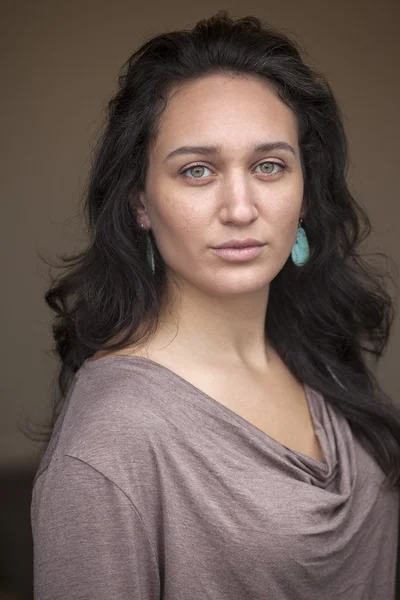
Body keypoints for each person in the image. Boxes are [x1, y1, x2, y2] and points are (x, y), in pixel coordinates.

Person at [30, 10, 400, 599]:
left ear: (305, 193)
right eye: (198, 170)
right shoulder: (110, 442)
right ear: (140, 203)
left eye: (269, 166)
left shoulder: (320, 356)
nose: (240, 207)